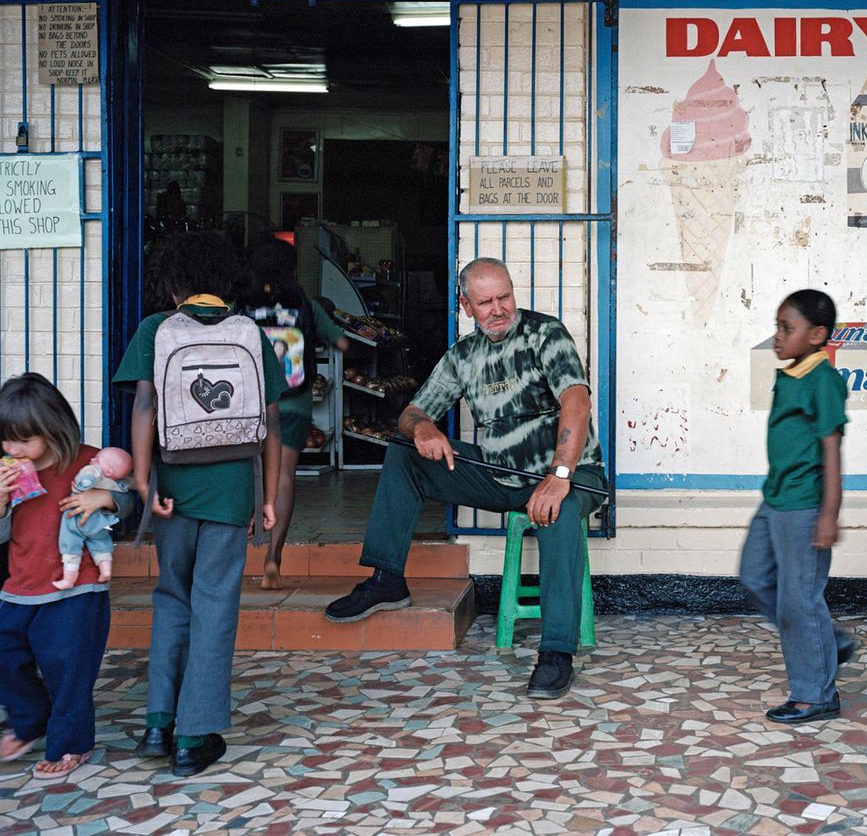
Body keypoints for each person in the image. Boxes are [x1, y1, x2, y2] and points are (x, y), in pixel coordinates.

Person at [325, 257, 606, 699]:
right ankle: (387, 578)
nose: (498, 309)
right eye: (486, 302)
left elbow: (576, 401)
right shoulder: (462, 356)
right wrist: (423, 428)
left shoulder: (545, 334)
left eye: (505, 297)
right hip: (500, 475)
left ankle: (556, 652)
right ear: (465, 304)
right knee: (405, 454)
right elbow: (412, 412)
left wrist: (559, 474)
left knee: (561, 510)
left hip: (571, 473)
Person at [113, 230, 286, 778]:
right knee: (214, 603)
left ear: (173, 284)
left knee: (171, 597)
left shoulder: (155, 329)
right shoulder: (250, 333)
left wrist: (143, 482)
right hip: (233, 491)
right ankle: (193, 736)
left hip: (172, 488)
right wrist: (270, 499)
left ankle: (159, 722)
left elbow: (144, 404)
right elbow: (273, 426)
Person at [0, 373, 133, 782]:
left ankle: (70, 743)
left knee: (68, 671)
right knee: (5, 658)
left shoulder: (89, 461)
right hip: (19, 586)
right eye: (6, 439)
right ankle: (29, 720)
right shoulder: (5, 473)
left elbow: (131, 500)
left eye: (23, 439)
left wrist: (105, 497)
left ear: (52, 426)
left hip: (78, 589)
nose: (13, 449)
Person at [739, 289, 855, 725]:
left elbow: (831, 450)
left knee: (798, 601)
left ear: (818, 335)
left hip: (805, 506)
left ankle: (815, 694)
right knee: (753, 576)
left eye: (788, 329)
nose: (778, 337)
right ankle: (824, 642)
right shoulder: (788, 375)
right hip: (775, 498)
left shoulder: (822, 380)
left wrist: (829, 514)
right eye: (777, 327)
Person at [241, 235, 347, 589]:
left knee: (250, 472)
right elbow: (342, 343)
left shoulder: (240, 306)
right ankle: (273, 557)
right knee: (284, 475)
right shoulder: (305, 302)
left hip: (249, 403)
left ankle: (240, 548)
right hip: (294, 400)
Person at [52, 446, 135, 590]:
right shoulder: (118, 483)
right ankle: (106, 570)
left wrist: (82, 485)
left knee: (70, 544)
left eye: (97, 459)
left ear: (108, 471)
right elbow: (130, 487)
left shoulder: (94, 470)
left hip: (79, 519)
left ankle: (68, 579)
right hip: (101, 523)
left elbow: (88, 478)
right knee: (101, 544)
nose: (93, 459)